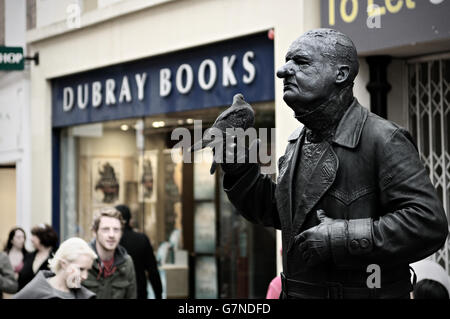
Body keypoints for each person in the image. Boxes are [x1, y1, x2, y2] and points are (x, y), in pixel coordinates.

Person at [218, 28, 449, 299]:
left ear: (340, 74)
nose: (283, 71)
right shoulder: (297, 142)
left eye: (301, 62)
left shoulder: (383, 139)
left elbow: (427, 224)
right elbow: (279, 212)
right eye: (287, 61)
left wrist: (341, 238)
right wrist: (239, 168)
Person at [13, 237, 97, 299]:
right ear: (63, 264)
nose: (85, 276)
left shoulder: (85, 295)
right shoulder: (34, 292)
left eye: (88, 270)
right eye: (81, 269)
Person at [81, 206, 137, 299]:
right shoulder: (81, 259)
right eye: (105, 229)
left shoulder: (127, 263)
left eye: (116, 230)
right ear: (95, 232)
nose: (111, 235)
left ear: (121, 233)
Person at [115, 204, 163, 299]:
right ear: (130, 219)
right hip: (139, 291)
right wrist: (159, 294)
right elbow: (153, 271)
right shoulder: (142, 239)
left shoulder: (110, 241)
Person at [18, 224, 58, 290]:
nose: (31, 239)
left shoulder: (56, 257)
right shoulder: (28, 256)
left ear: (43, 237)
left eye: (34, 236)